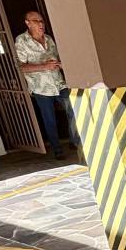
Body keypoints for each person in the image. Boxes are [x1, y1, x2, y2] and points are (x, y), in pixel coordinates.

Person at [14, 11, 78, 159]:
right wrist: (44, 66)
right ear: (27, 23)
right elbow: (20, 67)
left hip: (59, 83)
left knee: (74, 110)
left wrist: (59, 64)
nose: (41, 23)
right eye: (36, 21)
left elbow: (57, 58)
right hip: (40, 87)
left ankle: (74, 141)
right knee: (50, 119)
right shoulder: (21, 41)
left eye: (41, 20)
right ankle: (57, 149)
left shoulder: (49, 39)